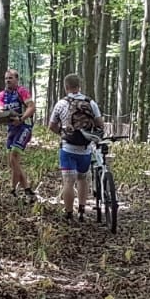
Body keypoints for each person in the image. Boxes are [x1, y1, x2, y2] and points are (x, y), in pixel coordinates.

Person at [47, 73, 104, 222]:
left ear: (66, 87)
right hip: (85, 149)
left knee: (68, 181)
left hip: (67, 148)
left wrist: (62, 133)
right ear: (79, 86)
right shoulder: (90, 102)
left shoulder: (61, 104)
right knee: (82, 179)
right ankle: (82, 211)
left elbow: (51, 126)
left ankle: (68, 213)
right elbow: (100, 124)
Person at [0, 69, 37, 199]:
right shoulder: (2, 95)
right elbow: (1, 110)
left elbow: (32, 107)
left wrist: (21, 119)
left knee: (13, 157)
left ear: (16, 79)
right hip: (11, 129)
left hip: (24, 127)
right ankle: (14, 190)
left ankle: (26, 189)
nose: (8, 80)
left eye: (10, 78)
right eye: (6, 78)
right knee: (12, 162)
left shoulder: (22, 91)